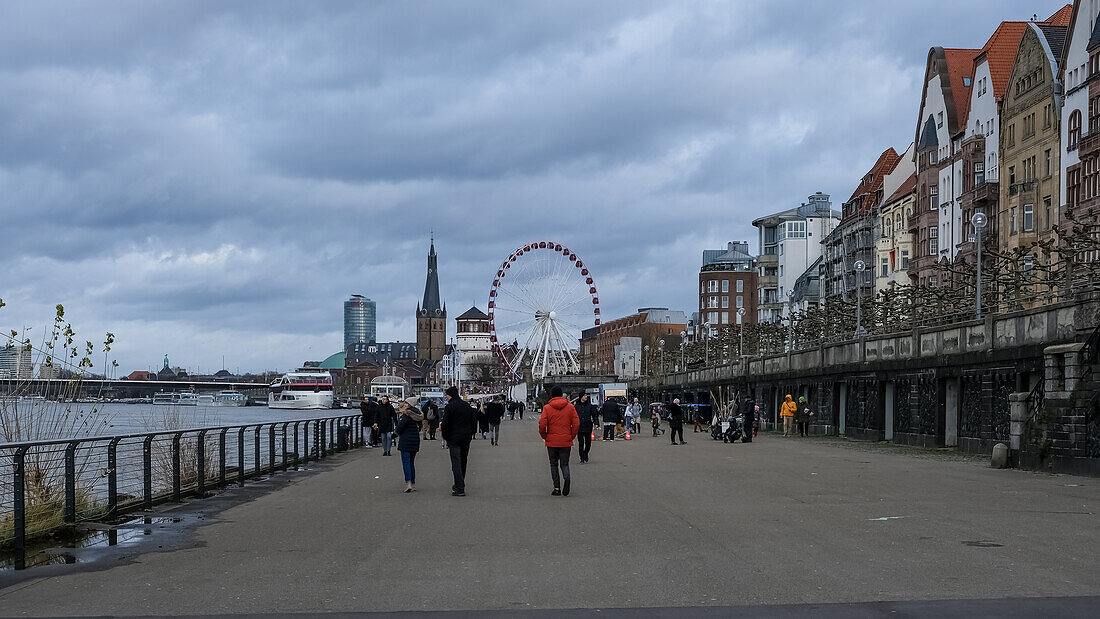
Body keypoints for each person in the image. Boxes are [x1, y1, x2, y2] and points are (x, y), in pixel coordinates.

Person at [539, 385, 579, 496]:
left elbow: (542, 425)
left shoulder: (547, 408)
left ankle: (557, 488)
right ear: (561, 394)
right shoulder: (570, 407)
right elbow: (576, 423)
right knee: (565, 464)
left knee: (553, 464)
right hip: (566, 440)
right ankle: (567, 478)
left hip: (551, 440)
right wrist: (571, 436)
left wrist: (544, 436)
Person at [441, 386, 476, 496]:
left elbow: (445, 424)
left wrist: (446, 437)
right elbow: (473, 421)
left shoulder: (449, 407)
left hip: (454, 438)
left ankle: (459, 487)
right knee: (463, 461)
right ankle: (460, 483)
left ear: (450, 395)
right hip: (466, 437)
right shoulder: (466, 406)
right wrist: (471, 433)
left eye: (446, 395)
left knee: (455, 462)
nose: (446, 397)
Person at [395, 398, 424, 492]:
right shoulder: (418, 414)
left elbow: (400, 428)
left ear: (410, 404)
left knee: (406, 462)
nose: (405, 404)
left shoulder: (406, 415)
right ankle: (413, 483)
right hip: (415, 440)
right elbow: (420, 427)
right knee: (411, 462)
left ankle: (408, 483)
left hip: (405, 440)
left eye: (406, 402)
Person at [574, 393, 598, 463]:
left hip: (588, 426)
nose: (586, 397)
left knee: (588, 443)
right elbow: (573, 416)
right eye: (584, 395)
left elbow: (595, 415)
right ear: (581, 397)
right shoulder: (576, 406)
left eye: (586, 395)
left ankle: (586, 453)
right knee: (581, 443)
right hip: (579, 426)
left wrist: (596, 423)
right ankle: (582, 457)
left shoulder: (590, 406)